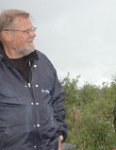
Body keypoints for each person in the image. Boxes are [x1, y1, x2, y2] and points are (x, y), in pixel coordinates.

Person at [0, 9, 67, 150]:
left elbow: (57, 100)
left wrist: (59, 135)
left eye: (33, 29)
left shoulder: (43, 62)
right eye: (27, 31)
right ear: (7, 35)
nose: (33, 34)